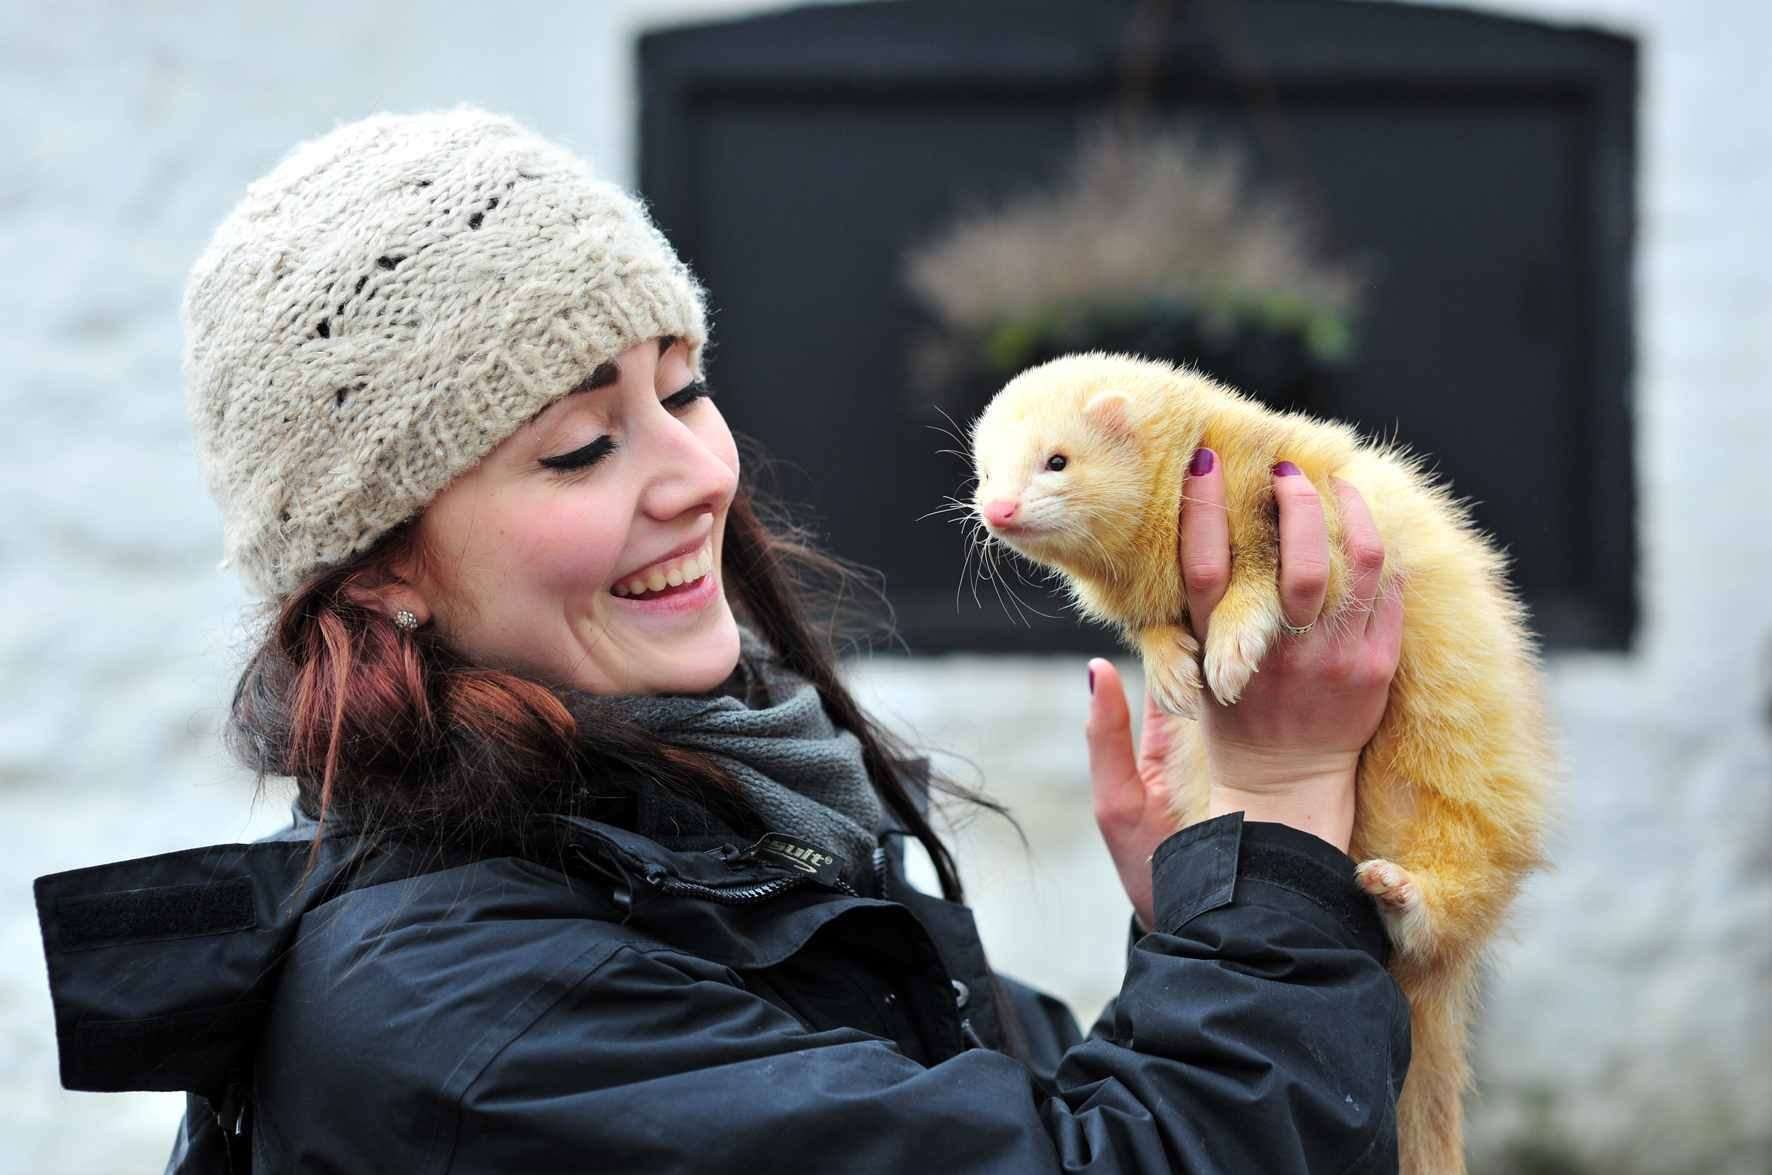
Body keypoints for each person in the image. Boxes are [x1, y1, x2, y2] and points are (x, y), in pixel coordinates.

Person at [34, 107, 1410, 1174]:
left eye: (684, 389)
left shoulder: (713, 827)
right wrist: (1279, 818)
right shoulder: (479, 1024)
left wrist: (1209, 919)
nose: (699, 475)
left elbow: (1048, 1124)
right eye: (580, 447)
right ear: (383, 570)